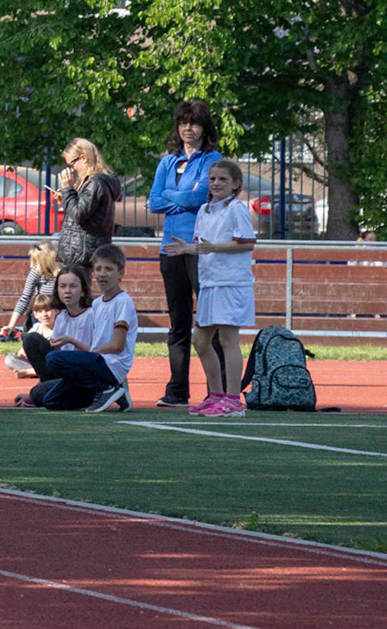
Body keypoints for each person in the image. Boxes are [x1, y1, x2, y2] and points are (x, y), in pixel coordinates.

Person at [163, 159, 256, 417]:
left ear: (235, 184)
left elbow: (247, 243)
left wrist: (215, 247)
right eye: (213, 179)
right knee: (200, 340)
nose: (216, 183)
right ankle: (216, 395)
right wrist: (187, 249)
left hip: (231, 282)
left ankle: (233, 400)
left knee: (227, 339)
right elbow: (203, 246)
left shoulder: (236, 209)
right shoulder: (204, 210)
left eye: (223, 179)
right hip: (210, 282)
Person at [146, 100, 223, 408]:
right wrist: (181, 198)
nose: (187, 128)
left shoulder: (212, 160)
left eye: (194, 123)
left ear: (204, 128)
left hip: (200, 248)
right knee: (178, 322)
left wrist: (172, 196)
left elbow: (200, 197)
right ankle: (177, 391)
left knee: (210, 322)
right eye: (182, 123)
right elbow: (154, 202)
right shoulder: (167, 162)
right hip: (170, 248)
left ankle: (219, 392)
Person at [18, 247, 138, 411]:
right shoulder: (96, 304)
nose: (102, 274)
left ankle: (108, 387)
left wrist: (84, 349)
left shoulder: (122, 302)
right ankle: (104, 392)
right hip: (87, 367)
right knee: (50, 401)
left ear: (121, 272)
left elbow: (117, 345)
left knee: (53, 359)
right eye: (98, 269)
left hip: (107, 364)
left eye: (108, 269)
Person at [51, 138, 121, 271]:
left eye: (72, 164)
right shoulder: (93, 182)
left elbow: (79, 214)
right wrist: (66, 198)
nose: (72, 169)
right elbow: (82, 210)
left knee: (77, 284)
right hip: (82, 251)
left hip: (82, 253)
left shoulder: (95, 183)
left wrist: (68, 189)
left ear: (83, 157)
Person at [0, 241, 61, 374]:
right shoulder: (35, 272)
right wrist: (11, 325)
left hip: (58, 316)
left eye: (37, 260)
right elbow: (24, 298)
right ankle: (38, 368)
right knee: (11, 359)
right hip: (42, 317)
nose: (34, 264)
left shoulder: (62, 273)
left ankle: (41, 369)